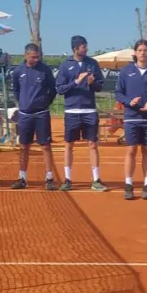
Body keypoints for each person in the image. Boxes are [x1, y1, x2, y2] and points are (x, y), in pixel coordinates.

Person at [55, 35, 107, 191]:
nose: (86, 49)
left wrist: (92, 83)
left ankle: (96, 179)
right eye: (84, 46)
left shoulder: (92, 63)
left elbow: (100, 86)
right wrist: (76, 81)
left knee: (92, 144)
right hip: (71, 111)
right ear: (75, 48)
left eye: (86, 46)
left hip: (89, 110)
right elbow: (60, 89)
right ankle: (68, 179)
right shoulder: (65, 66)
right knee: (69, 145)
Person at [114, 39, 147, 200]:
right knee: (131, 150)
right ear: (135, 53)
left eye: (145, 50)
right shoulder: (126, 71)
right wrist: (130, 102)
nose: (143, 53)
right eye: (140, 50)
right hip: (131, 118)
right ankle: (128, 185)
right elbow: (118, 93)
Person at [9, 43, 59, 190]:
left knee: (45, 146)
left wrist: (44, 103)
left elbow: (53, 90)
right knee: (24, 146)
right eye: (33, 57)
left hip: (42, 114)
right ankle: (22, 178)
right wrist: (24, 103)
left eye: (38, 57)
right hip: (25, 115)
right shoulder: (18, 71)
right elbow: (16, 91)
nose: (36, 59)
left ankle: (49, 178)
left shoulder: (45, 70)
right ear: (26, 55)